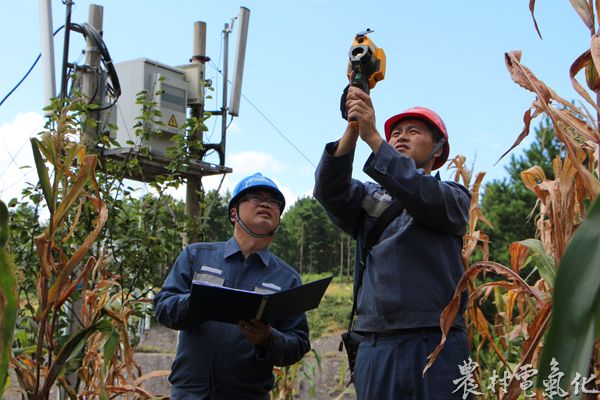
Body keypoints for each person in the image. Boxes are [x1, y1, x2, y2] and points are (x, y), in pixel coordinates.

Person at [314, 85, 471, 399]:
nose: (401, 136)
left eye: (414, 131)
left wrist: (374, 138)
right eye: (395, 131)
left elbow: (419, 192)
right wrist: (354, 128)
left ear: (439, 148)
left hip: (437, 344)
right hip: (376, 342)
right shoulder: (370, 196)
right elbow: (329, 190)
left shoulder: (453, 197)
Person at [154, 173, 310, 400]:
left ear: (278, 220)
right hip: (190, 394)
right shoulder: (197, 256)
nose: (266, 203)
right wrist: (196, 303)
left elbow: (298, 343)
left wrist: (268, 338)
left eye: (275, 202)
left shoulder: (287, 279)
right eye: (255, 197)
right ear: (233, 212)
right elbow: (162, 307)